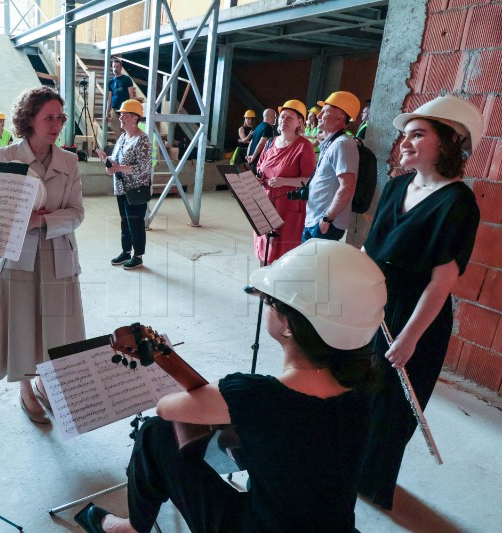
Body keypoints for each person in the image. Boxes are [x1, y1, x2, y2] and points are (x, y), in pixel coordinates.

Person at [73, 239, 387, 533]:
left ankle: (130, 528)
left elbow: (166, 408)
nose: (267, 305)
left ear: (289, 326)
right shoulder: (363, 388)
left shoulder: (254, 396)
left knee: (154, 433)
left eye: (272, 303)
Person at [357, 95, 482, 515]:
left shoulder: (457, 202)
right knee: (359, 395)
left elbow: (442, 280)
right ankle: (349, 469)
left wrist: (410, 337)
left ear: (447, 142)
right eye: (404, 135)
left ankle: (373, 487)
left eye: (417, 135)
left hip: (415, 317)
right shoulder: (395, 186)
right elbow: (370, 249)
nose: (404, 143)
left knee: (393, 409)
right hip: (374, 307)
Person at [0, 86, 85, 425]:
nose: (57, 124)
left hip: (58, 253)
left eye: (60, 117)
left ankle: (48, 382)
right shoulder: (5, 157)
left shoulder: (70, 161)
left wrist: (41, 219)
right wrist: (21, 219)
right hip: (18, 255)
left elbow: (76, 213)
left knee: (57, 327)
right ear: (28, 119)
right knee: (22, 321)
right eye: (49, 117)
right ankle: (26, 389)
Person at [254, 99, 316, 265]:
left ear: (299, 122)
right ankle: (261, 279)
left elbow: (309, 180)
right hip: (266, 201)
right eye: (282, 117)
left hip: (288, 205)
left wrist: (283, 181)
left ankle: (278, 285)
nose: (284, 121)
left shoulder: (304, 146)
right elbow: (260, 168)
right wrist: (258, 178)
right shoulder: (270, 143)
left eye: (289, 117)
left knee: (284, 245)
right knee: (263, 241)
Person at [96, 99, 152, 271]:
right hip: (121, 188)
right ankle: (126, 252)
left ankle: (138, 256)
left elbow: (144, 167)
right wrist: (107, 159)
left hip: (136, 190)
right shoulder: (122, 137)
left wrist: (119, 168)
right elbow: (116, 159)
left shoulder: (142, 139)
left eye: (124, 115)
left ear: (135, 118)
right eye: (120, 115)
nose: (120, 118)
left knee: (135, 223)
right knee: (125, 222)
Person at [302, 91, 360, 243]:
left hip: (325, 223)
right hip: (316, 219)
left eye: (325, 111)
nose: (319, 115)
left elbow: (347, 186)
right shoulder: (333, 143)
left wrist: (327, 218)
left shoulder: (342, 144)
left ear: (340, 117)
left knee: (314, 266)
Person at [106, 58, 136, 139]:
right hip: (114, 110)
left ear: (121, 67)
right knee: (116, 131)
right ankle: (120, 147)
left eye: (117, 67)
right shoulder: (111, 82)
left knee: (126, 130)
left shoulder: (126, 79)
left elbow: (131, 95)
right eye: (114, 67)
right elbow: (109, 98)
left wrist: (131, 111)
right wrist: (107, 112)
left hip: (125, 111)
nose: (115, 69)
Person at [245, 108, 276, 174]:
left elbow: (251, 142)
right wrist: (253, 156)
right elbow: (262, 143)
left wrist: (248, 155)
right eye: (274, 116)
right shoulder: (268, 128)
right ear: (269, 116)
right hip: (257, 161)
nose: (275, 118)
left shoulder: (258, 126)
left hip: (251, 160)